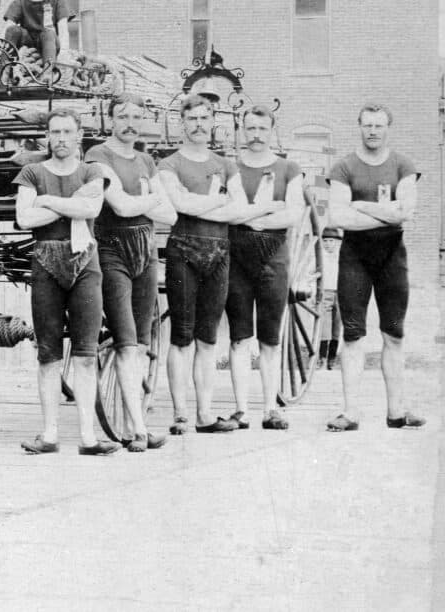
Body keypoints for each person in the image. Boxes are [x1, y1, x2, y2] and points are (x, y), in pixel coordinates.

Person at [13, 110, 118, 456]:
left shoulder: (92, 170)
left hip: (85, 261)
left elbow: (92, 210)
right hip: (45, 261)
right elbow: (24, 218)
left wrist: (48, 201)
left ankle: (88, 436)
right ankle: (50, 434)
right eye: (54, 131)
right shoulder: (32, 172)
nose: (60, 138)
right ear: (46, 136)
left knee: (87, 353)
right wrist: (71, 204)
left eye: (67, 131)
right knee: (48, 354)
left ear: (79, 136)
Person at [156, 95, 259, 436]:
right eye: (192, 119)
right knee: (182, 336)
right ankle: (181, 414)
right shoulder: (168, 164)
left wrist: (199, 205)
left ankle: (204, 414)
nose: (198, 124)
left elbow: (241, 208)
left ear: (212, 121)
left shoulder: (226, 165)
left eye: (204, 118)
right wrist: (219, 200)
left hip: (219, 253)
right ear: (182, 123)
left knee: (208, 339)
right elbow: (178, 203)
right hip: (183, 250)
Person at [323, 104, 423, 431]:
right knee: (352, 335)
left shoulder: (402, 164)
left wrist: (362, 205)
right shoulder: (344, 167)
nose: (373, 131)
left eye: (379, 125)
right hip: (355, 258)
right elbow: (337, 217)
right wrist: (385, 210)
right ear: (359, 127)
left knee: (393, 333)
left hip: (392, 257)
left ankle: (397, 411)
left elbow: (406, 212)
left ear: (388, 127)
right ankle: (350, 413)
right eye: (367, 125)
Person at [83, 97, 175, 451]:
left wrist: (149, 202)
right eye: (123, 116)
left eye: (137, 117)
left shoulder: (146, 159)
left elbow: (172, 215)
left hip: (146, 250)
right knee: (125, 337)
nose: (130, 123)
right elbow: (119, 206)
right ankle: (138, 429)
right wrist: (152, 197)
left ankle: (138, 423)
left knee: (139, 342)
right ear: (110, 119)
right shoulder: (98, 156)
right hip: (111, 249)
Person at [221, 106, 305, 430]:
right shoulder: (231, 168)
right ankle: (241, 410)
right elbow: (228, 212)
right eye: (251, 128)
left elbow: (294, 214)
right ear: (242, 130)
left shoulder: (289, 169)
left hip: (274, 259)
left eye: (262, 128)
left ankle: (270, 408)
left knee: (270, 338)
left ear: (271, 130)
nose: (256, 134)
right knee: (240, 336)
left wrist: (250, 216)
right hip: (237, 259)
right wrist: (268, 210)